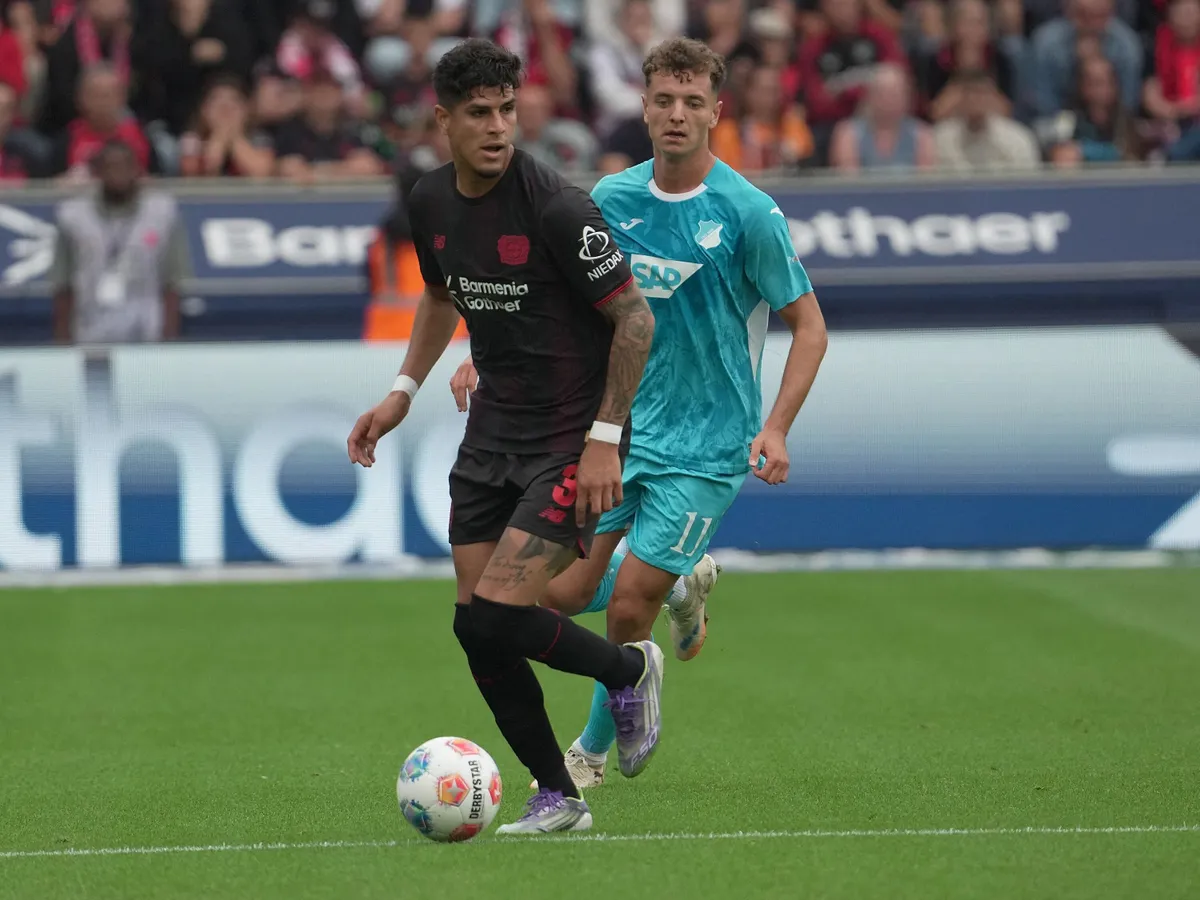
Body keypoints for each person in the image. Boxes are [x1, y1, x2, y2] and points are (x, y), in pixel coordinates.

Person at [450, 37, 828, 791]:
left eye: (693, 102)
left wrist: (776, 426)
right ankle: (683, 582)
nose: (677, 114)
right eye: (664, 100)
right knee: (553, 594)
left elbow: (809, 327)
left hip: (710, 443)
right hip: (614, 433)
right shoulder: (611, 202)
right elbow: (552, 298)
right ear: (645, 107)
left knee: (626, 611)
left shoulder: (748, 214)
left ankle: (585, 755)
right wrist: (477, 351)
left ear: (717, 112)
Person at [345, 38, 662, 836]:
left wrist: (603, 439)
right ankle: (558, 795)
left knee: (496, 615)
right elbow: (439, 296)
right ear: (443, 120)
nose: (497, 127)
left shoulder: (557, 206)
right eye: (479, 113)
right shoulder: (429, 201)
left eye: (507, 111)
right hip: (490, 435)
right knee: (474, 629)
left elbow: (635, 318)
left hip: (568, 439)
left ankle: (629, 669)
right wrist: (400, 393)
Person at [51, 139, 189, 344]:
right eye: (110, 167)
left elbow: (172, 283)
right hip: (90, 329)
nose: (117, 174)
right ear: (97, 172)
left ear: (137, 170)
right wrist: (62, 342)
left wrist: (168, 339)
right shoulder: (72, 216)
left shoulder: (162, 213)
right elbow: (63, 285)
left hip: (146, 329)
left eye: (124, 166)